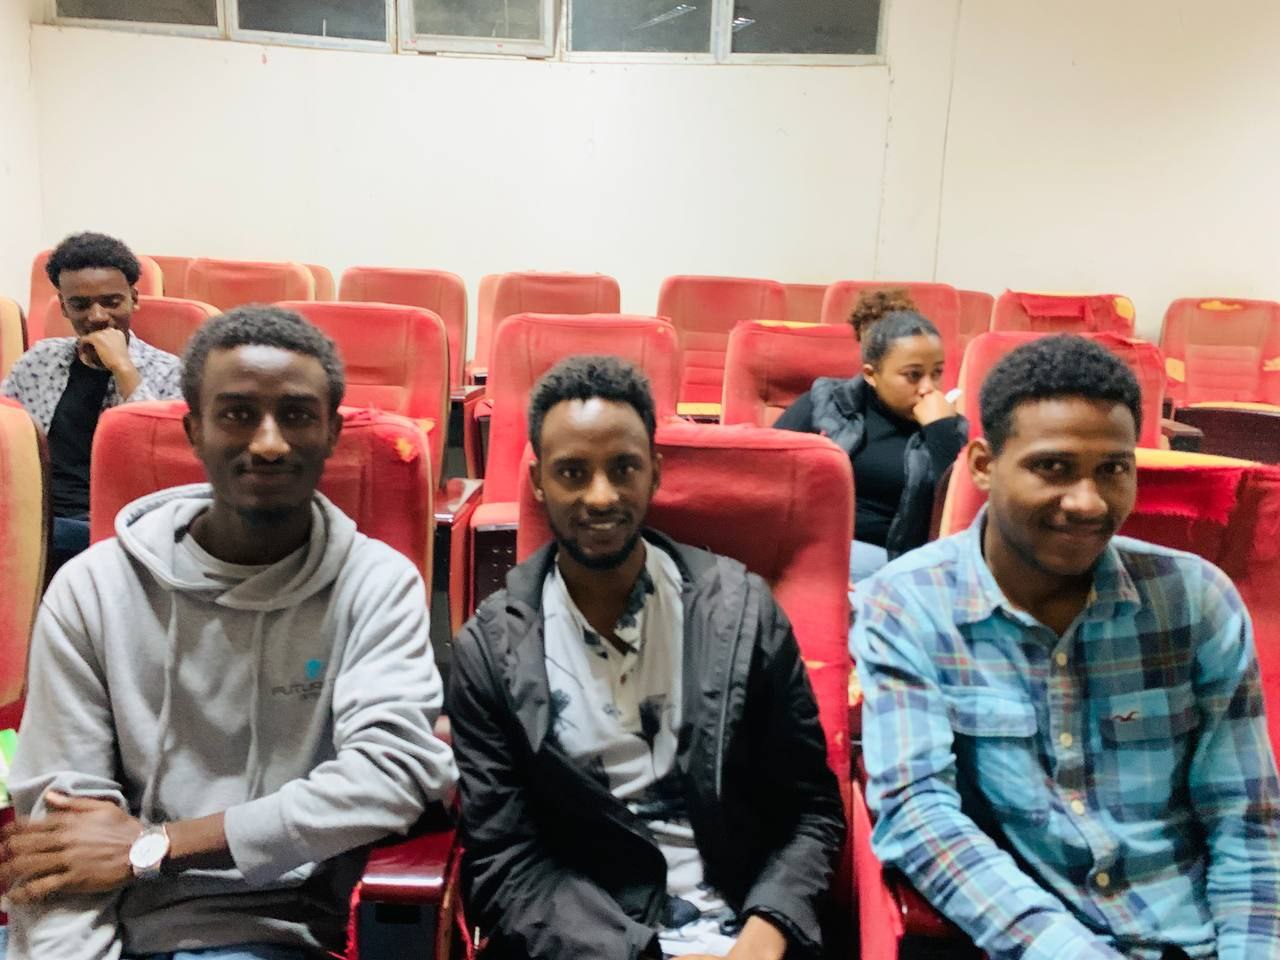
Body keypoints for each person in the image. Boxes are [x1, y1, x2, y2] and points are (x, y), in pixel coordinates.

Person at [1, 306, 458, 960]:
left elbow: (390, 774)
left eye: (296, 415)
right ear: (195, 430)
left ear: (331, 433)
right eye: (238, 414)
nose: (268, 442)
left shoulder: (376, 584)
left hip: (278, 929)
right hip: (113, 927)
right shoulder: (92, 590)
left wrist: (156, 846)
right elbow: (61, 849)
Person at [851, 335, 1280, 960]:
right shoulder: (908, 604)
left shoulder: (1195, 599)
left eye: (1113, 469)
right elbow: (920, 814)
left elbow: (1245, 817)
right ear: (982, 465)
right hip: (1036, 941)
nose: (1088, 502)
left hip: (1195, 934)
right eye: (1052, 467)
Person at [448, 355, 845, 960]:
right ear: (538, 482)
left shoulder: (742, 613)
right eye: (572, 472)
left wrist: (766, 934)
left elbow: (811, 811)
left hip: (746, 931)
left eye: (623, 468)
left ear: (654, 472)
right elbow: (507, 862)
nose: (600, 496)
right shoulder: (489, 653)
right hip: (589, 946)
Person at [1, 232, 182, 572]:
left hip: (112, 523)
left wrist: (123, 368)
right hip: (33, 510)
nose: (97, 316)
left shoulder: (169, 372)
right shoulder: (40, 360)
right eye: (80, 305)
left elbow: (156, 463)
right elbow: (6, 435)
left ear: (134, 299)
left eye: (112, 302)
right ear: (63, 306)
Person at [774, 307, 968, 581]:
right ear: (871, 374)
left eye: (936, 373)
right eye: (913, 375)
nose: (928, 387)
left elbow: (956, 512)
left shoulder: (946, 426)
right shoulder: (826, 402)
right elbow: (768, 466)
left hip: (891, 562)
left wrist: (940, 430)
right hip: (810, 541)